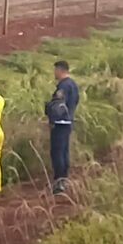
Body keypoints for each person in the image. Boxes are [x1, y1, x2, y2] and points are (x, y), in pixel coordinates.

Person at [47, 60, 79, 194]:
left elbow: (58, 105)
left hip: (60, 123)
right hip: (68, 121)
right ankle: (64, 179)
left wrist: (52, 119)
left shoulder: (63, 86)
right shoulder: (73, 84)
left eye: (55, 70)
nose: (54, 73)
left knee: (57, 152)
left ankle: (59, 182)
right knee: (64, 151)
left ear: (60, 70)